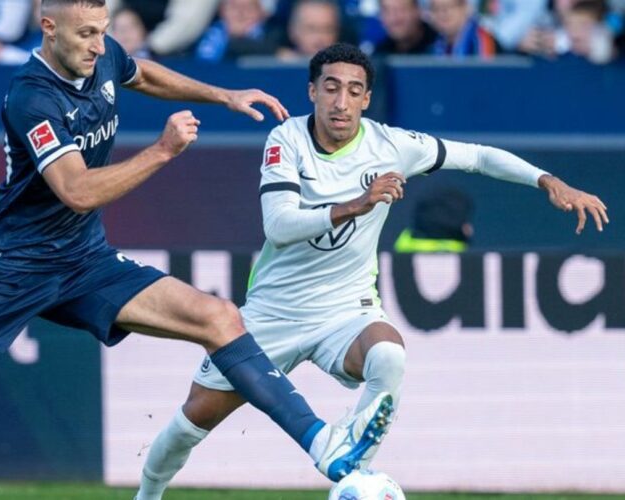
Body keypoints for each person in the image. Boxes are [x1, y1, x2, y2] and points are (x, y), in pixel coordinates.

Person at [0, 3, 385, 499]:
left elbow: (140, 71)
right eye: (85, 35)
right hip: (12, 266)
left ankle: (325, 448)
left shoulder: (99, 53)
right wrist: (162, 151)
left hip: (82, 261)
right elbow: (74, 190)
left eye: (101, 31)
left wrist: (221, 95)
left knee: (217, 317)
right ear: (47, 27)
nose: (98, 46)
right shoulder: (31, 97)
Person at [134, 42, 609, 500]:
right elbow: (279, 227)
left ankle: (353, 461)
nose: (341, 102)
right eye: (331, 87)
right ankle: (148, 494)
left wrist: (546, 179)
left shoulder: (391, 144)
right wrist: (357, 203)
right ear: (312, 92)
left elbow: (478, 156)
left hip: (346, 308)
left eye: (353, 90)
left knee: (389, 354)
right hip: (273, 312)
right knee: (195, 417)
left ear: (366, 98)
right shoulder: (287, 139)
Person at [428, 0, 500, 57]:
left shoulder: (484, 42)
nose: (442, 14)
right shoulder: (430, 45)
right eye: (436, 8)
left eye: (449, 6)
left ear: (465, 8)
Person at [277, 0, 342, 61]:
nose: (320, 39)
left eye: (327, 30)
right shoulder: (275, 64)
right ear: (293, 31)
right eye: (311, 29)